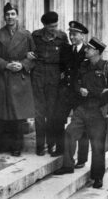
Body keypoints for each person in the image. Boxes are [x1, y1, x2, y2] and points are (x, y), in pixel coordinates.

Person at [54, 37, 108, 189]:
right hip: (81, 108)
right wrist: (79, 89)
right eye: (86, 48)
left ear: (97, 52)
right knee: (69, 133)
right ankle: (68, 165)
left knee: (97, 145)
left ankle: (98, 176)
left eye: (89, 49)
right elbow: (75, 81)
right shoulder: (83, 66)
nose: (86, 50)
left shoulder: (107, 68)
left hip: (98, 111)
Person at [0, 2, 36, 157]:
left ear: (17, 16)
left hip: (19, 79)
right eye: (7, 14)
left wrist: (22, 65)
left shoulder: (26, 35)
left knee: (17, 116)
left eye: (13, 14)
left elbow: (34, 56)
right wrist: (6, 65)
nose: (10, 17)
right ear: (4, 17)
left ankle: (16, 146)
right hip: (2, 77)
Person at [28, 12, 69, 156]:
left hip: (54, 75)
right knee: (39, 113)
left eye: (56, 25)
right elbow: (29, 51)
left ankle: (51, 144)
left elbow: (67, 56)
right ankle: (40, 146)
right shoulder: (35, 36)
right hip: (38, 74)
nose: (54, 29)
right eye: (51, 26)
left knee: (51, 112)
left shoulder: (62, 36)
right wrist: (29, 55)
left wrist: (64, 74)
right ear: (44, 25)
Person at [50, 21, 89, 161]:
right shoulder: (66, 50)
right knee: (58, 119)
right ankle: (61, 149)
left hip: (80, 95)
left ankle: (82, 157)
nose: (72, 37)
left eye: (75, 34)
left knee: (82, 125)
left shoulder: (88, 51)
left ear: (82, 36)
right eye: (70, 34)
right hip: (65, 92)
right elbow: (61, 68)